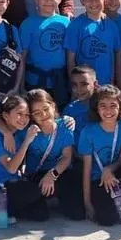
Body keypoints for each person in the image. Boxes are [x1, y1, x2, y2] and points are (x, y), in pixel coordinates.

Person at [78, 85, 121, 226]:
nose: (108, 110)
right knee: (107, 220)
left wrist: (109, 169)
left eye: (113, 105)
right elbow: (87, 168)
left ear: (120, 107)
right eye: (103, 105)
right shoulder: (88, 132)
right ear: (96, 108)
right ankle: (116, 200)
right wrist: (87, 202)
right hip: (99, 179)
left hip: (118, 173)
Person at [0, 94, 46, 221]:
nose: (24, 119)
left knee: (41, 214)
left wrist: (67, 120)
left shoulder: (18, 130)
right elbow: (11, 168)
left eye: (27, 115)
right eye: (19, 113)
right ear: (6, 116)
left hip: (13, 180)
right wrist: (27, 141)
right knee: (33, 191)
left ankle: (6, 210)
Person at [22, 88, 83, 218]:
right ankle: (45, 198)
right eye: (37, 113)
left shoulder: (65, 125)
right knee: (40, 216)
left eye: (45, 109)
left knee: (77, 214)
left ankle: (58, 197)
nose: (43, 115)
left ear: (53, 106)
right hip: (36, 175)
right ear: (31, 116)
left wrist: (52, 174)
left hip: (58, 172)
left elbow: (67, 157)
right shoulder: (29, 130)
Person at [19, 0, 71, 102]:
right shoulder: (27, 24)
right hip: (34, 82)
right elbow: (21, 58)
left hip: (60, 83)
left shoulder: (66, 23)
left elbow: (71, 56)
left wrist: (71, 83)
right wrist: (20, 87)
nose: (49, 0)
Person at [64, 0, 121, 87]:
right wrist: (74, 87)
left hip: (106, 86)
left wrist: (114, 82)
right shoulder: (75, 26)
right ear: (82, 1)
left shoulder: (112, 26)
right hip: (84, 87)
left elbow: (114, 55)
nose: (94, 3)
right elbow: (70, 59)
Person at [62, 65, 97, 140]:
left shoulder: (105, 107)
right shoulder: (69, 110)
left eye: (84, 84)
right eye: (74, 85)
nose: (79, 89)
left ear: (95, 84)